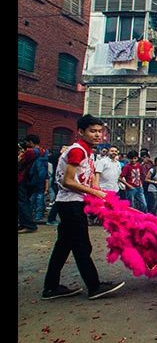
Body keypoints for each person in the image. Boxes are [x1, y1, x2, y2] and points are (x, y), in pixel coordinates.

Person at [42, 114, 125, 300]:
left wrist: (98, 193)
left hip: (72, 202)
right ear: (81, 132)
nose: (97, 135)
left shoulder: (87, 152)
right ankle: (94, 286)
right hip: (71, 203)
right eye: (92, 131)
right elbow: (68, 181)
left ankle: (50, 287)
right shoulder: (78, 151)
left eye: (99, 131)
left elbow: (83, 179)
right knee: (81, 246)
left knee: (63, 246)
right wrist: (96, 193)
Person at [18, 135, 46, 233]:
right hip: (34, 180)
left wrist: (21, 153)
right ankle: (24, 224)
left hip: (23, 179)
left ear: (30, 142)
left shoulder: (30, 152)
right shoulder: (43, 151)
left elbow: (20, 162)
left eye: (26, 142)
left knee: (22, 202)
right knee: (25, 201)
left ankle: (28, 225)